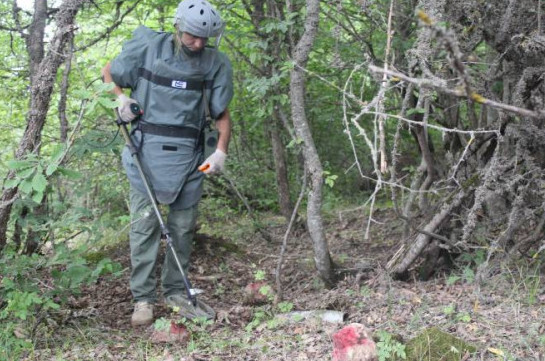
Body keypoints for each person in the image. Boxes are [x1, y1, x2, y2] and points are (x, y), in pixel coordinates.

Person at [101, 0, 233, 327]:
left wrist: (220, 152)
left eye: (205, 38)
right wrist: (121, 98)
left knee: (183, 228)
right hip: (144, 152)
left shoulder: (216, 64)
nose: (198, 43)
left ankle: (176, 290)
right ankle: (142, 299)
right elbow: (108, 73)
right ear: (178, 26)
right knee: (144, 225)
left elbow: (222, 115)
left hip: (192, 158)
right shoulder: (148, 48)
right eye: (192, 36)